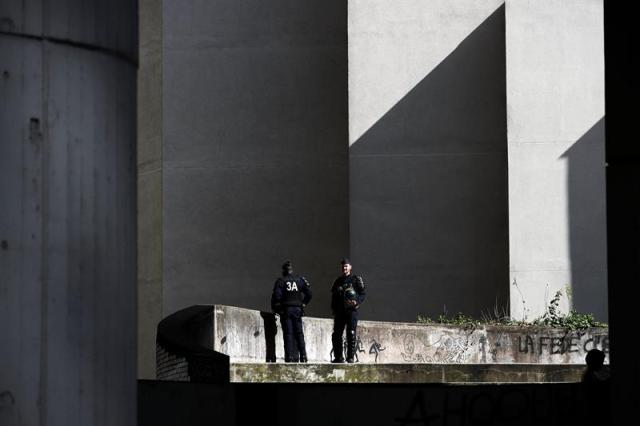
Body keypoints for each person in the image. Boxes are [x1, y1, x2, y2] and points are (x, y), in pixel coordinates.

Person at [271, 260, 312, 362]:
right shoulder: (300, 280)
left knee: (288, 333)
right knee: (299, 333)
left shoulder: (281, 281)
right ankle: (303, 356)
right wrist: (303, 303)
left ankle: (289, 357)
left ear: (284, 271)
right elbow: (309, 294)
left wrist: (277, 308)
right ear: (291, 270)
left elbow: (277, 296)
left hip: (287, 310)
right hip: (298, 310)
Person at [330, 258, 366, 363]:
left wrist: (357, 302)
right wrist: (333, 308)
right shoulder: (338, 281)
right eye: (343, 266)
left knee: (351, 333)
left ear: (350, 267)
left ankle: (350, 357)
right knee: (336, 334)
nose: (344, 268)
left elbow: (363, 293)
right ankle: (338, 357)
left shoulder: (356, 279)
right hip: (340, 312)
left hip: (351, 311)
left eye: (346, 266)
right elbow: (334, 296)